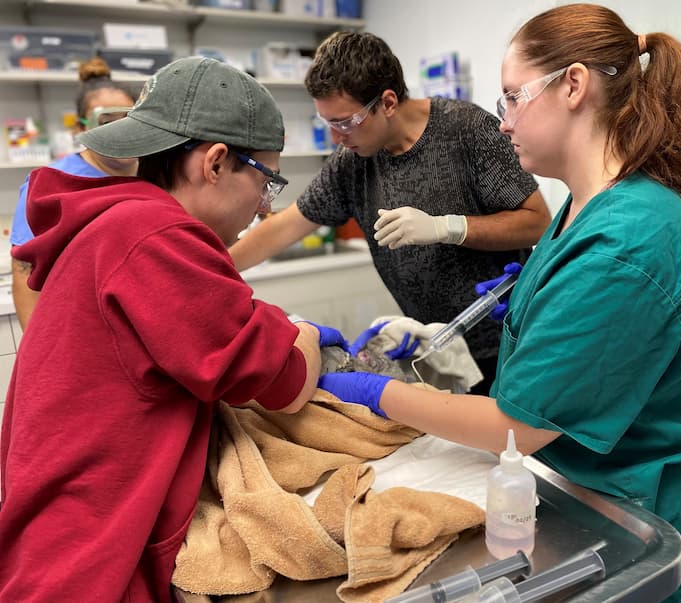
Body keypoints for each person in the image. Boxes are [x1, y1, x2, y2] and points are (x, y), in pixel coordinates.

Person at [315, 5, 681, 603]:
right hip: (569, 489)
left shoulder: (627, 242)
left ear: (574, 86)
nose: (502, 122)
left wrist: (377, 393)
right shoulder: (586, 209)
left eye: (511, 98)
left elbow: (517, 426)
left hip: (627, 514)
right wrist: (480, 320)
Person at [0, 56, 347, 601]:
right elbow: (286, 383)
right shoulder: (155, 235)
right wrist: (300, 329)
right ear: (213, 163)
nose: (263, 208)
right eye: (267, 181)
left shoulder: (115, 221)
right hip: (87, 564)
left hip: (67, 530)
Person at [229, 31, 552, 395]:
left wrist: (449, 227)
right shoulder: (351, 163)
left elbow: (539, 222)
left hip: (508, 342)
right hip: (434, 346)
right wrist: (212, 267)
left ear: (387, 102)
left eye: (345, 122)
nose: (337, 137)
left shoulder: (468, 131)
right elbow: (284, 228)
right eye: (328, 124)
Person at [10, 57, 138, 329]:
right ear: (81, 128)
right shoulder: (48, 184)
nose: (120, 131)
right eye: (106, 121)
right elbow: (24, 276)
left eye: (130, 119)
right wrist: (38, 357)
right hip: (77, 326)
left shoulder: (156, 174)